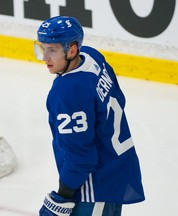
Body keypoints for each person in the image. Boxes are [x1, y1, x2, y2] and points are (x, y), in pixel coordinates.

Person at [34, 16, 145, 216]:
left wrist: (63, 195)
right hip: (115, 170)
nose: (44, 57)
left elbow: (81, 159)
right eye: (42, 48)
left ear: (72, 50)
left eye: (52, 50)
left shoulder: (68, 92)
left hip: (93, 188)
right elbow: (118, 97)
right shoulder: (93, 57)